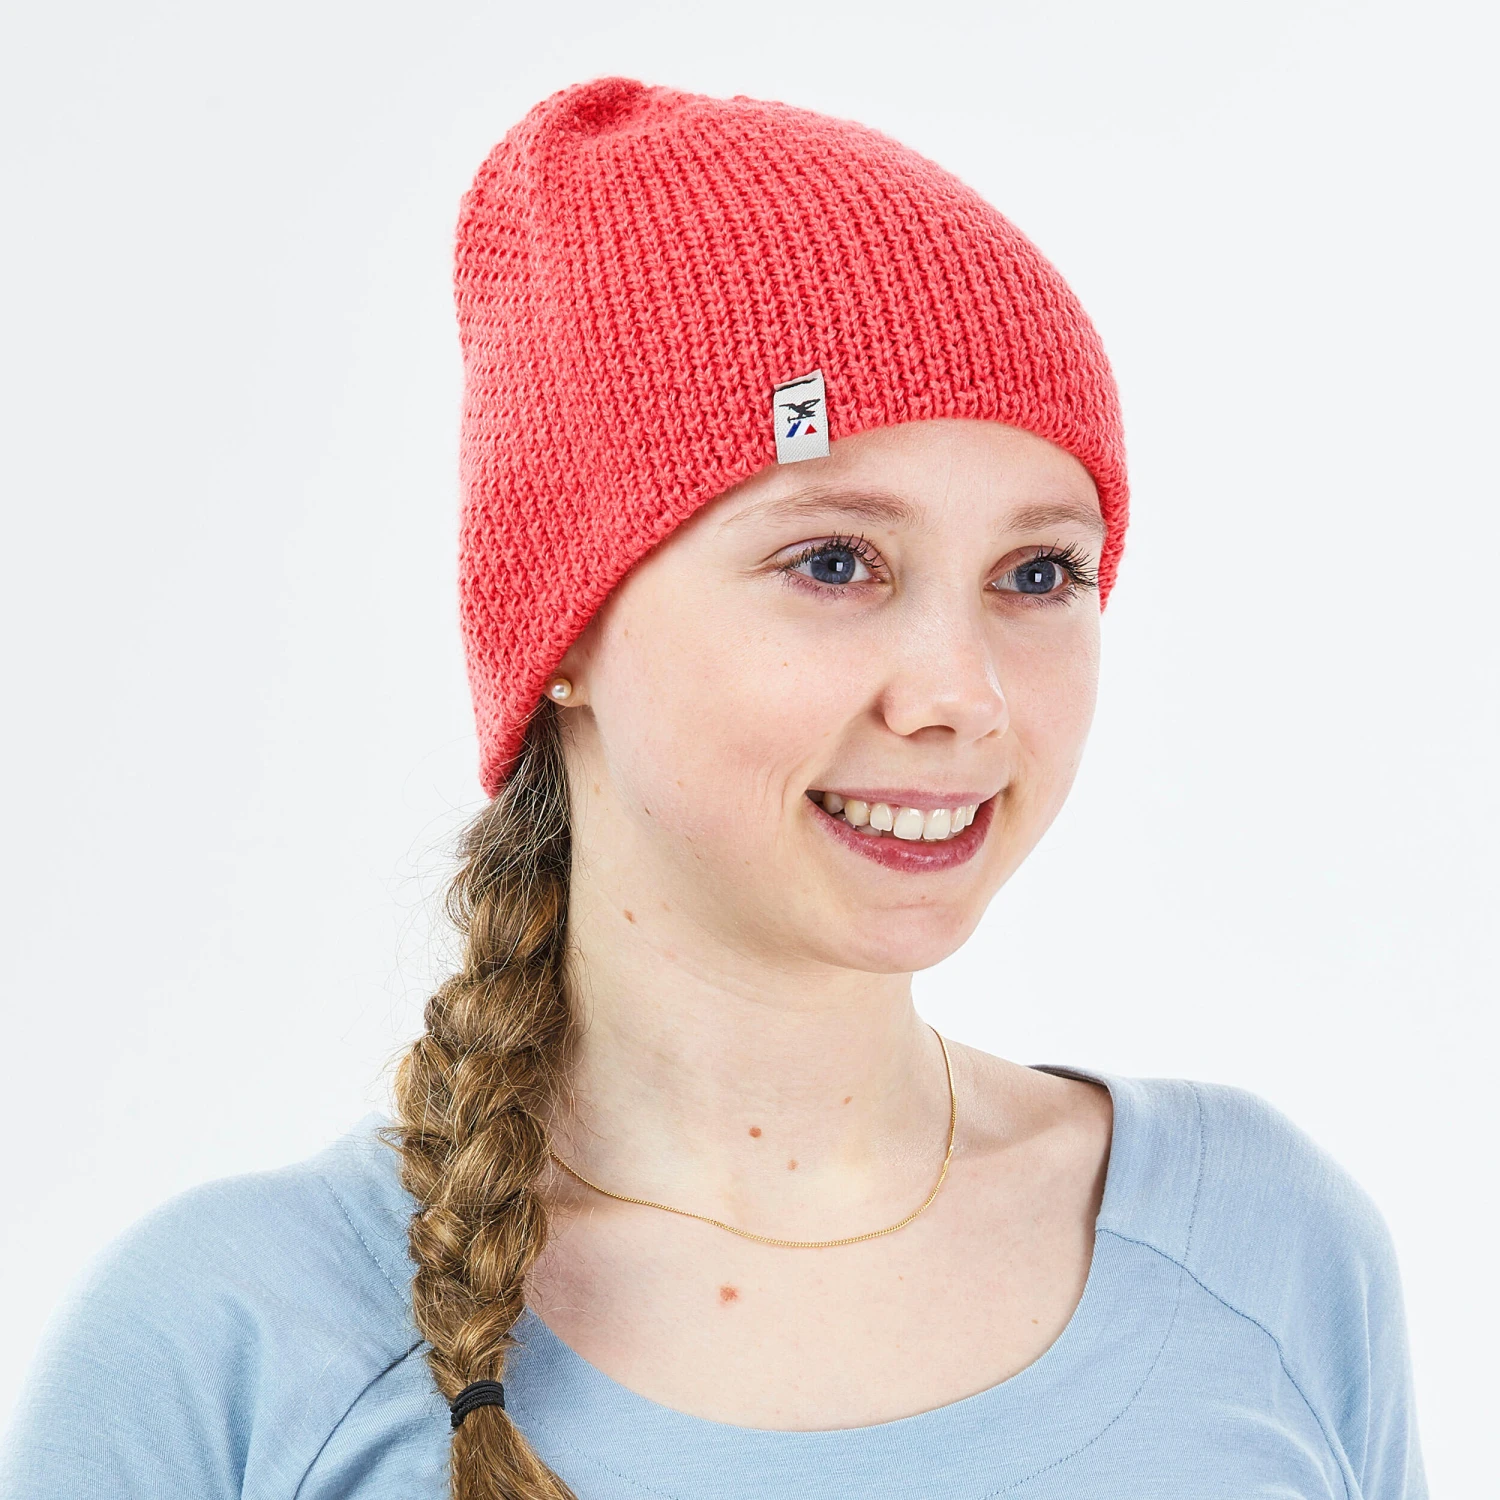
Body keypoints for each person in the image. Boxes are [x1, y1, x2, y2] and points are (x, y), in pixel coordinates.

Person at [0, 76, 1426, 1500]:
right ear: (567, 631)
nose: (962, 694)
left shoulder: (1268, 1257)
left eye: (1039, 572)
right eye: (835, 563)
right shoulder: (231, 1349)